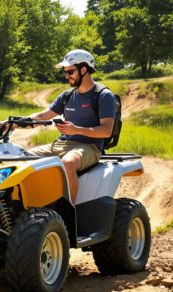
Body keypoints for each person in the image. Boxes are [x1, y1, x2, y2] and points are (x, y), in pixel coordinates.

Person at [15, 50, 115, 204]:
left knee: (67, 163)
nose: (66, 76)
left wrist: (77, 130)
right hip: (62, 144)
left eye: (70, 71)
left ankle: (68, 213)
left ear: (84, 69)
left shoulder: (104, 95)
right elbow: (42, 116)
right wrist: (11, 124)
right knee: (22, 159)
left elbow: (107, 130)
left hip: (90, 147)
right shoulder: (67, 95)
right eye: (65, 71)